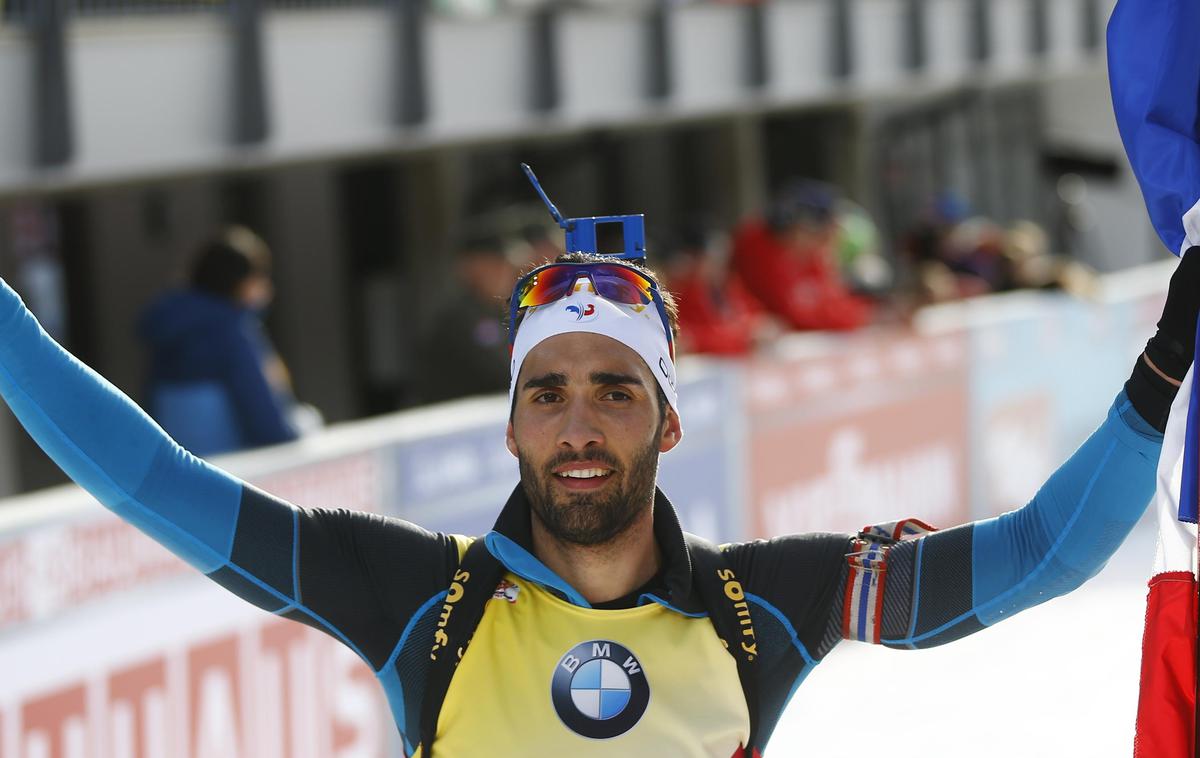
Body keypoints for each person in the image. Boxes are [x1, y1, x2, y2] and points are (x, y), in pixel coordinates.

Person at [0, 225, 1189, 755]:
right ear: (512, 422)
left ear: (668, 417)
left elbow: (1043, 551)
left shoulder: (761, 605)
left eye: (616, 391)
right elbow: (156, 478)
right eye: (549, 390)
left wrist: (1157, 377)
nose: (580, 422)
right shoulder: (418, 597)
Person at [137, 226, 306, 456]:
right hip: (230, 469)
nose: (267, 288)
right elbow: (266, 423)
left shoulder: (169, 327)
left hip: (180, 468)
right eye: (260, 277)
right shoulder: (231, 332)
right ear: (240, 282)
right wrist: (297, 436)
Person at [732, 180, 873, 331]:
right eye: (822, 234)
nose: (825, 243)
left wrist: (862, 312)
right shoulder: (759, 248)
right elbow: (795, 314)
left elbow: (830, 299)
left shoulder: (808, 254)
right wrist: (860, 314)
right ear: (800, 227)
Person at [414, 235, 517, 404]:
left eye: (506, 264)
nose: (505, 272)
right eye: (494, 265)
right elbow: (503, 371)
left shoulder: (496, 312)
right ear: (469, 269)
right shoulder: (463, 319)